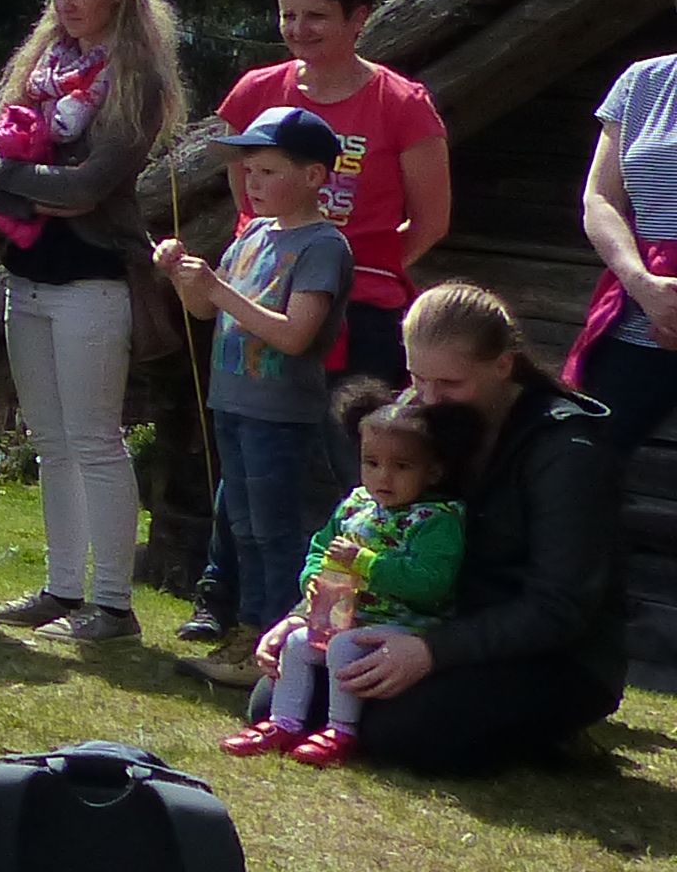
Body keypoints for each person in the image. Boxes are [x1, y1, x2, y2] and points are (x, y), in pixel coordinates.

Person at [276, 282, 621, 775]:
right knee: (284, 693)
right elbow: (368, 531)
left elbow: (559, 607)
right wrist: (309, 618)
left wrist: (432, 651)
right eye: (418, 378)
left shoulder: (566, 452)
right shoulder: (421, 422)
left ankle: (550, 734)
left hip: (551, 653)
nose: (430, 400)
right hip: (428, 621)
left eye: (450, 385)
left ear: (503, 365)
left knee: (403, 732)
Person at [0, 0, 190, 646]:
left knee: (95, 438)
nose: (64, 6)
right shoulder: (42, 62)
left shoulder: (137, 81)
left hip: (95, 276)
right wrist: (36, 190)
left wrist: (12, 180)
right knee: (51, 440)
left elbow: (93, 187)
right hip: (29, 271)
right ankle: (60, 587)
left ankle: (114, 604)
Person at [158, 107, 355, 642]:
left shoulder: (323, 247)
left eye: (268, 171)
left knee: (276, 531)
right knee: (241, 527)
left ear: (314, 176)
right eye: (249, 171)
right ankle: (248, 631)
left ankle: (278, 636)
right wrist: (185, 277)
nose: (253, 182)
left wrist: (217, 288)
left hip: (280, 416)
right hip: (234, 406)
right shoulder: (253, 236)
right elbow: (206, 313)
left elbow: (295, 335)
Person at [214, 0, 451, 389]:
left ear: (358, 17)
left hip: (359, 308)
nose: (299, 29)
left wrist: (341, 272)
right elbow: (246, 199)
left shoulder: (402, 104)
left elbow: (431, 221)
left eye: (317, 16)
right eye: (289, 15)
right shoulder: (253, 93)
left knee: (348, 444)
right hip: (263, 298)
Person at [227, 383, 477, 767]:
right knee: (296, 643)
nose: (383, 477)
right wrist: (312, 581)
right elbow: (320, 546)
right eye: (371, 462)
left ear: (434, 471)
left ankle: (340, 730)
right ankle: (284, 722)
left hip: (407, 625)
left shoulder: (437, 519)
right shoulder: (358, 503)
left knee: (343, 649)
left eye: (402, 467)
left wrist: (366, 564)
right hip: (348, 617)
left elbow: (430, 583)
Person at [567, 40, 677, 482]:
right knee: (580, 460)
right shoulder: (642, 82)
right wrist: (642, 284)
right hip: (640, 312)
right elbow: (601, 198)